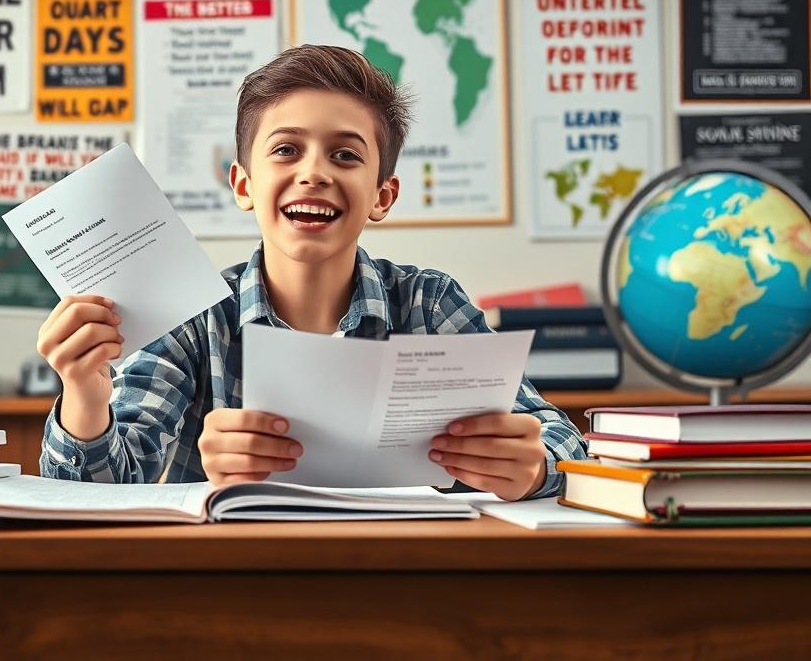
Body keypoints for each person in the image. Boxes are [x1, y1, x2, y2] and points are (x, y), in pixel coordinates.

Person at [37, 45, 587, 500]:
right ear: (243, 185)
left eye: (345, 155)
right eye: (286, 149)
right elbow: (95, 491)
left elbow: (563, 441)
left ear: (382, 195)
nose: (314, 173)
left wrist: (536, 466)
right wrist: (84, 393)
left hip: (407, 574)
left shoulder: (429, 303)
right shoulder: (193, 315)